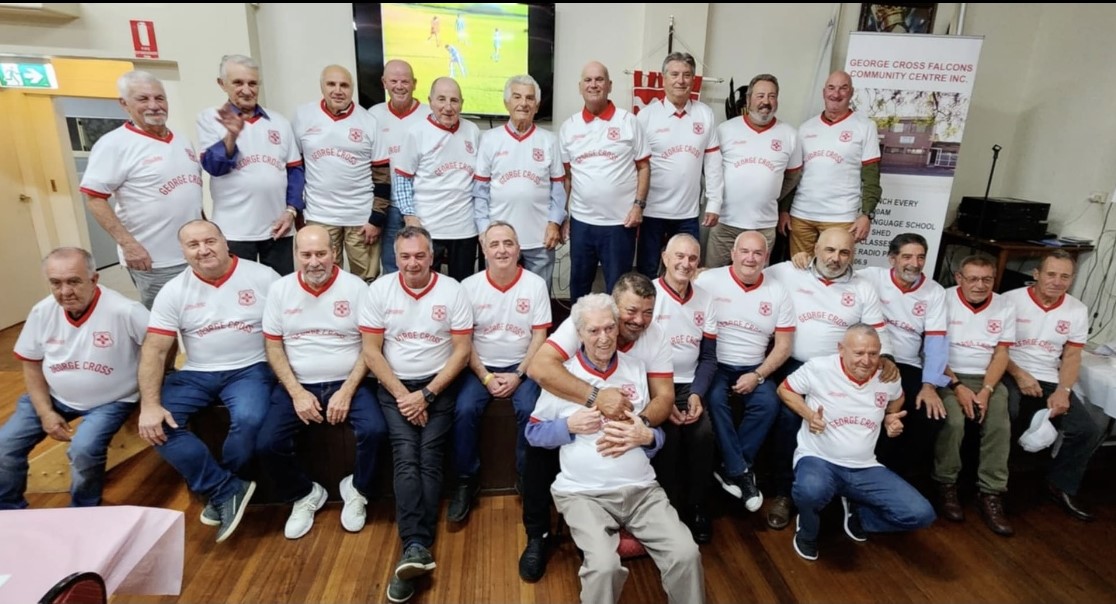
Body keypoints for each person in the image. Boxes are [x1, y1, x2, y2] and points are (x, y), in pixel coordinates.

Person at [526, 293, 705, 604]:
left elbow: (656, 437)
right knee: (604, 567)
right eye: (594, 331)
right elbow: (533, 433)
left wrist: (646, 436)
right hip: (583, 494)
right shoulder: (563, 376)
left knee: (686, 553)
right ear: (579, 333)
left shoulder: (636, 368)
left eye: (609, 328)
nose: (604, 338)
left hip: (642, 491)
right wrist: (569, 426)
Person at [137, 220, 280, 543]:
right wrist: (149, 404)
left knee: (248, 419)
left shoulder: (263, 277)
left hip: (250, 368)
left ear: (224, 240)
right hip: (197, 372)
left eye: (210, 241)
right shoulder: (173, 291)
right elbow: (155, 351)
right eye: (193, 245)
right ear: (183, 252)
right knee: (156, 424)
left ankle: (224, 488)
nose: (203, 250)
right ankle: (225, 488)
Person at [359, 226, 472, 603]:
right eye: (405, 256)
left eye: (419, 255)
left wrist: (425, 395)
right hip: (395, 387)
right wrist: (406, 396)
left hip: (438, 385)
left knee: (429, 457)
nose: (412, 263)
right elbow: (372, 353)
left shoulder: (453, 290)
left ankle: (415, 548)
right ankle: (415, 545)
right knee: (406, 457)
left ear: (432, 255)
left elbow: (461, 351)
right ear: (396, 256)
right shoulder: (379, 291)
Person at [255, 226, 387, 539]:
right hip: (298, 384)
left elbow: (371, 348)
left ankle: (358, 490)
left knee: (376, 432)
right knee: (267, 444)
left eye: (321, 253)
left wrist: (347, 390)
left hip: (350, 382)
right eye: (306, 254)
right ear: (296, 255)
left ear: (334, 253)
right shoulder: (280, 290)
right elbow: (273, 348)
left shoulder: (357, 288)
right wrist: (297, 393)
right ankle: (304, 494)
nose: (314, 261)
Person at [763, 227, 894, 530]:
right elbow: (748, 274)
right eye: (830, 250)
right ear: (815, 249)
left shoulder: (862, 288)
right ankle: (784, 494)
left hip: (839, 372)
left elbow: (880, 334)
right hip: (793, 364)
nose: (836, 258)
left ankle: (842, 492)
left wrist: (887, 358)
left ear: (853, 254)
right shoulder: (788, 271)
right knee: (786, 418)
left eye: (844, 252)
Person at [0, 248, 148, 509]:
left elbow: (161, 345)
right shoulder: (41, 312)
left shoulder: (126, 311)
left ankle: (83, 509)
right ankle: (9, 509)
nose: (65, 291)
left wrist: (148, 394)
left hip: (112, 400)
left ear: (94, 279)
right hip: (55, 396)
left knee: (83, 448)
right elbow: (31, 364)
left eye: (74, 281)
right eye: (56, 283)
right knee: (5, 444)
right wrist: (46, 412)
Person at [779, 324, 935, 561]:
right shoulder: (819, 368)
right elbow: (785, 389)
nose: (866, 360)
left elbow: (898, 398)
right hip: (819, 459)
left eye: (873, 354)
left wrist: (891, 419)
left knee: (921, 514)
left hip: (865, 467)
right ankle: (808, 530)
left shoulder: (888, 377)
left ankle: (859, 516)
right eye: (859, 353)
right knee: (810, 492)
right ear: (841, 349)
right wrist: (809, 415)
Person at [451, 222, 551, 523]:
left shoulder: (534, 284)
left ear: (518, 249)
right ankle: (466, 480)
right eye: (494, 244)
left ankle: (526, 475)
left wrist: (519, 374)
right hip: (480, 367)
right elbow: (463, 342)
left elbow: (540, 337)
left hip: (524, 366)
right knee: (464, 409)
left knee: (530, 409)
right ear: (484, 250)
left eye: (508, 243)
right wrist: (485, 377)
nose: (502, 250)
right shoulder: (468, 287)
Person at [82, 70, 203, 309]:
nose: (154, 105)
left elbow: (191, 196)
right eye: (143, 99)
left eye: (159, 98)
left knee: (200, 318)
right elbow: (94, 198)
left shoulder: (181, 140)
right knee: (162, 327)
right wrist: (128, 245)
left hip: (194, 255)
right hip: (153, 260)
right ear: (124, 103)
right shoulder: (113, 144)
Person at [696, 231, 794, 514]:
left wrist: (759, 375)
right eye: (745, 251)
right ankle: (740, 470)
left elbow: (784, 346)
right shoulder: (709, 280)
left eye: (757, 253)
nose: (750, 258)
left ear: (766, 258)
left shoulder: (777, 291)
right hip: (715, 362)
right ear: (733, 253)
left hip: (754, 365)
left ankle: (731, 468)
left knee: (769, 403)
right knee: (714, 398)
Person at [1003, 250, 1105, 521]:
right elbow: (995, 349)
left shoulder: (1077, 310)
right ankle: (995, 484)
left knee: (1086, 430)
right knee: (1009, 411)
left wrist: (1064, 391)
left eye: (1064, 276)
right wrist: (1019, 374)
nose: (1057, 281)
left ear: (1071, 279)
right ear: (1036, 274)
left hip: (1049, 377)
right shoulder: (1009, 301)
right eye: (1051, 274)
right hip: (1009, 370)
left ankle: (1060, 485)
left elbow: (1071, 356)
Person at [841, 233, 949, 482]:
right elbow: (834, 271)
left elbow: (936, 343)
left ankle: (894, 477)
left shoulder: (934, 292)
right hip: (869, 361)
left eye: (921, 257)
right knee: (872, 407)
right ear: (892, 259)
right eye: (907, 256)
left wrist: (930, 385)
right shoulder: (870, 277)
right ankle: (857, 472)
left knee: (929, 415)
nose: (915, 263)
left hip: (908, 365)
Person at [196, 54, 303, 275]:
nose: (246, 90)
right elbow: (214, 167)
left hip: (278, 228)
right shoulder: (211, 118)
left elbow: (294, 170)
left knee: (279, 288)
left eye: (252, 83)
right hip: (235, 231)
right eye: (238, 83)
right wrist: (231, 137)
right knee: (240, 291)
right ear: (222, 84)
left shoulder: (279, 122)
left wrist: (291, 211)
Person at [933, 255, 1015, 536]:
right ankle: (945, 484)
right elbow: (932, 349)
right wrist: (957, 386)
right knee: (954, 421)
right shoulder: (942, 299)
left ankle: (991, 492)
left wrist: (988, 390)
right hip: (947, 374)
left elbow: (1002, 353)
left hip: (986, 377)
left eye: (987, 279)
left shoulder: (1005, 305)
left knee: (999, 425)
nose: (980, 285)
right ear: (959, 278)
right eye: (973, 279)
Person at [559, 61, 651, 300]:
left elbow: (643, 166)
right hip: (582, 223)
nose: (594, 84)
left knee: (618, 290)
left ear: (609, 85)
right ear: (580, 87)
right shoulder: (569, 127)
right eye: (588, 80)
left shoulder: (629, 122)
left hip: (619, 224)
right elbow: (567, 177)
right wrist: (562, 217)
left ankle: (617, 338)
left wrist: (638, 206)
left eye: (599, 79)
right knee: (579, 288)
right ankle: (578, 336)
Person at [293, 65, 388, 282]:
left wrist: (376, 219)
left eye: (344, 85)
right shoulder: (303, 116)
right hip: (320, 215)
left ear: (352, 88)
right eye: (331, 84)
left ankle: (364, 317)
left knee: (367, 278)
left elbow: (383, 175)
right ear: (322, 87)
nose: (338, 90)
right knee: (322, 276)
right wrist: (297, 211)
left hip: (361, 217)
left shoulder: (369, 122)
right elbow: (296, 167)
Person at [650, 234, 716, 543]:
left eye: (692, 258)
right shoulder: (648, 293)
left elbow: (708, 357)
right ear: (665, 257)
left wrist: (696, 394)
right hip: (655, 383)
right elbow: (635, 354)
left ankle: (699, 507)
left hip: (689, 383)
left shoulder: (706, 298)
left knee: (702, 435)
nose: (685, 264)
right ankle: (668, 512)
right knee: (669, 437)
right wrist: (663, 397)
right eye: (679, 256)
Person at [634, 52, 723, 278]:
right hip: (652, 211)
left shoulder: (705, 114)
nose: (680, 81)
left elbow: (712, 161)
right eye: (674, 74)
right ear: (664, 79)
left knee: (686, 271)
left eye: (686, 75)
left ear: (693, 80)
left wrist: (714, 202)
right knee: (647, 270)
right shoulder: (646, 116)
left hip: (687, 213)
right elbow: (634, 166)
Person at [473, 74, 565, 289]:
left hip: (540, 240)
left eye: (530, 98)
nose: (523, 103)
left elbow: (558, 190)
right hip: (499, 241)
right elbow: (480, 192)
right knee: (498, 296)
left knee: (539, 297)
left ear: (537, 105)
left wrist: (555, 223)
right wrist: (484, 230)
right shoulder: (489, 139)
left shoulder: (549, 141)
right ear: (507, 102)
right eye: (517, 97)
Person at [706, 73, 801, 267]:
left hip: (763, 227)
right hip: (725, 223)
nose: (766, 101)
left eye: (772, 96)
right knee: (711, 276)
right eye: (760, 96)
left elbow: (792, 176)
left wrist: (769, 195)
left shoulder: (790, 135)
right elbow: (710, 170)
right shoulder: (725, 130)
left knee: (755, 280)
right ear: (748, 99)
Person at [782, 71, 881, 256]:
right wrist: (785, 210)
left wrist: (867, 214)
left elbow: (872, 176)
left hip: (841, 217)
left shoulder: (865, 127)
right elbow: (794, 174)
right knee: (800, 273)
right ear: (824, 92)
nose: (836, 94)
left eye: (843, 88)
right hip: (801, 216)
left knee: (836, 273)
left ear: (851, 93)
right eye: (831, 88)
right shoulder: (805, 128)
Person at [392, 77, 480, 282]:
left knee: (463, 285)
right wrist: (409, 216)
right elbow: (402, 178)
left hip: (465, 228)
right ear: (430, 101)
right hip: (428, 227)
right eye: (441, 99)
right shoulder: (416, 133)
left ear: (462, 103)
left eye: (454, 100)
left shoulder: (473, 131)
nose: (448, 107)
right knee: (428, 285)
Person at [369, 59, 431, 275]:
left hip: (422, 205)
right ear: (384, 82)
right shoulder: (373, 115)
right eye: (393, 80)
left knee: (423, 262)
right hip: (387, 206)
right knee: (392, 264)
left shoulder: (429, 114)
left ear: (414, 83)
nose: (399, 86)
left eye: (405, 81)